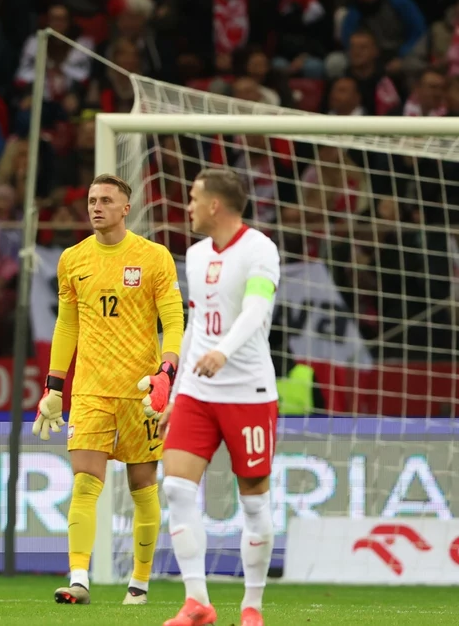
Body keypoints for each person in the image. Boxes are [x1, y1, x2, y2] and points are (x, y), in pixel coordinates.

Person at [31, 174, 185, 606]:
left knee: (142, 486)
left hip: (140, 392)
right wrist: (54, 387)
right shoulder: (72, 259)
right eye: (92, 200)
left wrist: (166, 371)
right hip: (91, 391)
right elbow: (68, 325)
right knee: (84, 483)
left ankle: (139, 583)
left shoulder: (154, 258)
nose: (96, 207)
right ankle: (78, 578)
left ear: (125, 208)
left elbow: (173, 321)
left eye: (106, 200)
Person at [160, 170, 281, 626]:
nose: (187, 207)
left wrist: (222, 352)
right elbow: (197, 321)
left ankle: (251, 607)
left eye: (193, 199)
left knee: (253, 501)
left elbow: (256, 309)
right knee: (175, 487)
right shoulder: (192, 255)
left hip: (247, 390)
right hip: (198, 389)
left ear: (215, 205)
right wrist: (175, 387)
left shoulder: (259, 249)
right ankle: (198, 603)